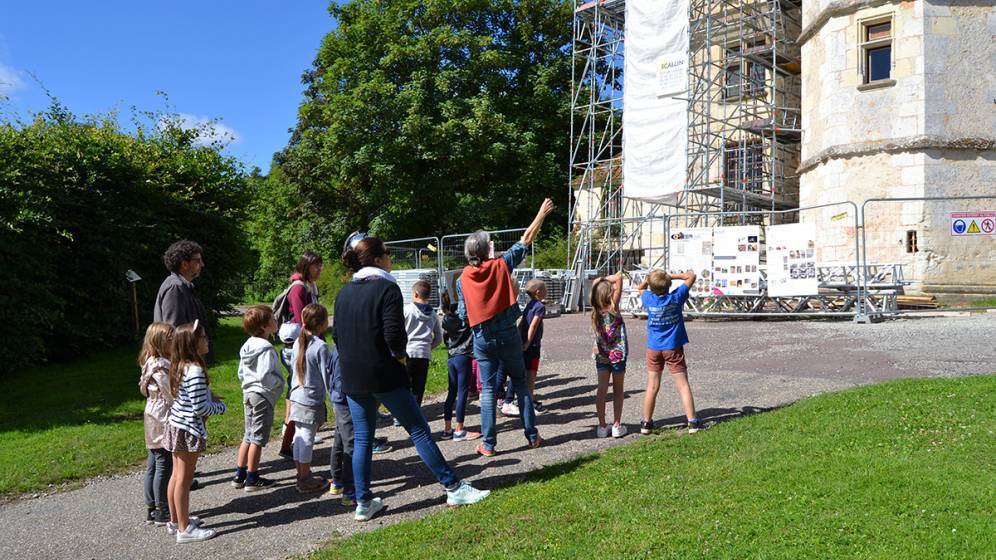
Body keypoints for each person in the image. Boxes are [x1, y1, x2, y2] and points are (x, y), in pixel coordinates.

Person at [334, 236, 490, 522]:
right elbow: (394, 335)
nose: (391, 258)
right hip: (384, 374)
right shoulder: (387, 287)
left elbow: (338, 337)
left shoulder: (344, 293)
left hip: (352, 378)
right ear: (380, 258)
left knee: (363, 438)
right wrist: (401, 358)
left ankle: (363, 500)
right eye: (388, 253)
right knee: (418, 430)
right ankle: (453, 487)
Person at [456, 199, 554, 457]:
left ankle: (488, 445)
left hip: (482, 337)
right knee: (520, 382)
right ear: (485, 250)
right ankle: (532, 437)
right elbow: (526, 238)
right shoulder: (501, 266)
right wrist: (540, 214)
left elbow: (463, 314)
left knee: (487, 390)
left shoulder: (462, 278)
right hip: (508, 333)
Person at [164, 320, 226, 543]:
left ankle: (175, 521)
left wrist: (209, 397)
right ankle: (184, 529)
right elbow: (200, 408)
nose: (207, 340)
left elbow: (191, 398)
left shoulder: (179, 365)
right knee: (184, 479)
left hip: (175, 425)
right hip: (188, 429)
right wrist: (221, 407)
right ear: (192, 344)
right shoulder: (196, 371)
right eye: (202, 337)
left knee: (176, 476)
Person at [638, 270, 702, 435]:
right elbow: (691, 277)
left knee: (652, 386)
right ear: (668, 285)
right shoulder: (676, 297)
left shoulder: (648, 298)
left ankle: (646, 422)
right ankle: (692, 422)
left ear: (652, 287)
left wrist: (652, 281)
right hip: (673, 347)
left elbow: (641, 287)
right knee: (682, 385)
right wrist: (671, 276)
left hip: (654, 348)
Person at [232, 305, 283, 492]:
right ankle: (252, 477)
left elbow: (240, 372)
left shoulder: (247, 345)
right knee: (257, 438)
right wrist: (278, 383)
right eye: (273, 318)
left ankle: (240, 474)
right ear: (264, 326)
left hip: (248, 393)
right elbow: (265, 375)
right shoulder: (266, 348)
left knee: (248, 434)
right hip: (262, 395)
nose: (276, 320)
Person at [277, 252, 323, 460]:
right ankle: (289, 436)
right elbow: (301, 317)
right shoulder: (298, 289)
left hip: (307, 342)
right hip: (298, 345)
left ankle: (293, 434)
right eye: (316, 266)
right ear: (306, 266)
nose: (319, 269)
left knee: (297, 391)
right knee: (298, 391)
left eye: (320, 265)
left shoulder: (310, 286)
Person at [289, 303, 331, 493]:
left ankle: (301, 473)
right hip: (310, 399)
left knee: (299, 435)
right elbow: (327, 375)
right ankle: (305, 479)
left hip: (296, 395)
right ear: (322, 324)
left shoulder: (299, 341)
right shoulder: (320, 346)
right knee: (306, 437)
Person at [138, 322, 175, 526]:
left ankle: (151, 506)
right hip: (162, 417)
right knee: (163, 462)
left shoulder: (149, 362)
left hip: (152, 413)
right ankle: (162, 508)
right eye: (172, 339)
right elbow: (170, 393)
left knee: (153, 461)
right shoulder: (161, 366)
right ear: (161, 342)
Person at [154, 240, 212, 363]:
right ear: (185, 264)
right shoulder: (175, 288)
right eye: (198, 260)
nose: (202, 264)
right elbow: (173, 330)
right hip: (180, 363)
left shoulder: (184, 286)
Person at [590, 272, 628, 438]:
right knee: (618, 390)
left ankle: (602, 425)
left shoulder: (595, 309)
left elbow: (595, 283)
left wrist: (601, 281)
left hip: (601, 354)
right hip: (617, 354)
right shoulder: (614, 307)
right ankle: (617, 425)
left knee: (602, 390)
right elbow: (619, 277)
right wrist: (609, 280)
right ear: (610, 294)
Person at [440, 292, 481, 441]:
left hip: (451, 357)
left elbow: (446, 338)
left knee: (451, 393)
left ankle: (447, 429)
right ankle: (459, 430)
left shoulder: (446, 319)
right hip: (464, 356)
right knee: (462, 393)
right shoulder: (466, 319)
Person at [403, 279, 443, 407]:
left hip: (407, 352)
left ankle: (401, 415)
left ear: (415, 294)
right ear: (429, 296)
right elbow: (438, 337)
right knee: (419, 386)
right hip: (424, 353)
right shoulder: (433, 314)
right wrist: (429, 347)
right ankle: (416, 412)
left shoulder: (406, 310)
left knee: (404, 384)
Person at [324, 345, 356, 505]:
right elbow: (338, 378)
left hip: (338, 398)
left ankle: (336, 481)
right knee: (350, 442)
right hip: (344, 399)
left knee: (339, 438)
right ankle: (350, 492)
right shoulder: (343, 349)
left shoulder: (338, 347)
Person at [518, 279, 548, 412]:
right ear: (538, 292)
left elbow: (523, 323)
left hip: (523, 343)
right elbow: (533, 325)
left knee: (525, 372)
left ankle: (526, 399)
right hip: (533, 345)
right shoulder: (540, 307)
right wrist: (528, 342)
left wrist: (520, 339)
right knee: (532, 374)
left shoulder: (529, 305)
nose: (546, 291)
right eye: (545, 289)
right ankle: (529, 403)